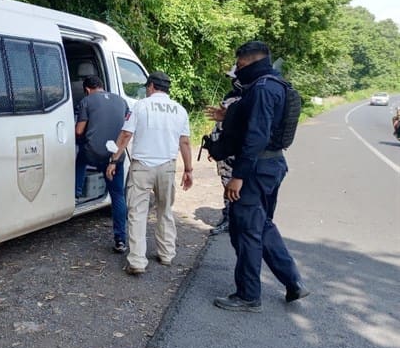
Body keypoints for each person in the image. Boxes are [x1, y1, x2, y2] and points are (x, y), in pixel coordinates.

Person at [213, 41, 309, 312]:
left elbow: (256, 135)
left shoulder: (262, 89)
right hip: (273, 166)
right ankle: (293, 281)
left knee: (246, 231)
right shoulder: (277, 84)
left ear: (251, 62)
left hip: (255, 170)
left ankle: (248, 295)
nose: (238, 70)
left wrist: (238, 176)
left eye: (240, 65)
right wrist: (229, 114)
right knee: (262, 224)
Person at [106, 71, 193, 274]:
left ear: (151, 86)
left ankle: (137, 261)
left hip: (142, 166)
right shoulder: (180, 110)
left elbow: (126, 134)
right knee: (165, 210)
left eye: (147, 87)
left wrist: (114, 160)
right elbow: (185, 142)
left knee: (137, 213)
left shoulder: (141, 106)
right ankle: (167, 254)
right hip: (167, 167)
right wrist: (188, 170)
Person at [75, 75, 130, 253]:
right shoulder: (121, 101)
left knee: (80, 157)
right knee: (118, 195)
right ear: (102, 86)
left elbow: (79, 130)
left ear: (87, 89)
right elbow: (127, 128)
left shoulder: (87, 101)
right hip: (114, 156)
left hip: (94, 154)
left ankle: (76, 193)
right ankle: (120, 239)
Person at [204, 66, 243, 235]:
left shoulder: (245, 100)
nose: (233, 82)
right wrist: (213, 147)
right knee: (226, 184)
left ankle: (234, 220)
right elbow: (219, 125)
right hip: (225, 150)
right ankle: (229, 218)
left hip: (235, 152)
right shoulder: (231, 97)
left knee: (233, 186)